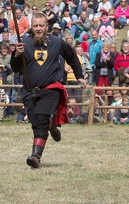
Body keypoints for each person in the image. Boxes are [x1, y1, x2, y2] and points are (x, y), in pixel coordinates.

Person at [12, 12, 85, 169]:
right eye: (35, 25)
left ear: (47, 26)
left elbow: (72, 56)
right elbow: (15, 68)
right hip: (29, 91)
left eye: (41, 25)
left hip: (49, 89)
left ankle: (36, 157)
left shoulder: (57, 42)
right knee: (36, 122)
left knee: (40, 121)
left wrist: (79, 75)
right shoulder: (24, 43)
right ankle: (51, 126)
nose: (38, 29)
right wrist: (16, 55)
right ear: (31, 26)